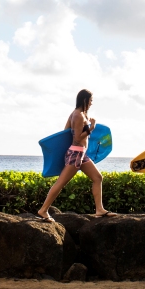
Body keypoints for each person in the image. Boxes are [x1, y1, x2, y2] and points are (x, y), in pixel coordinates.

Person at [36, 89, 117, 221]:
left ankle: (99, 209)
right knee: (61, 183)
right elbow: (78, 138)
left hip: (81, 154)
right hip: (76, 153)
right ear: (85, 100)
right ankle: (43, 210)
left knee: (97, 177)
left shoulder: (77, 115)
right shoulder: (78, 115)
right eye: (90, 101)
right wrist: (92, 128)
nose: (91, 103)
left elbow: (65, 133)